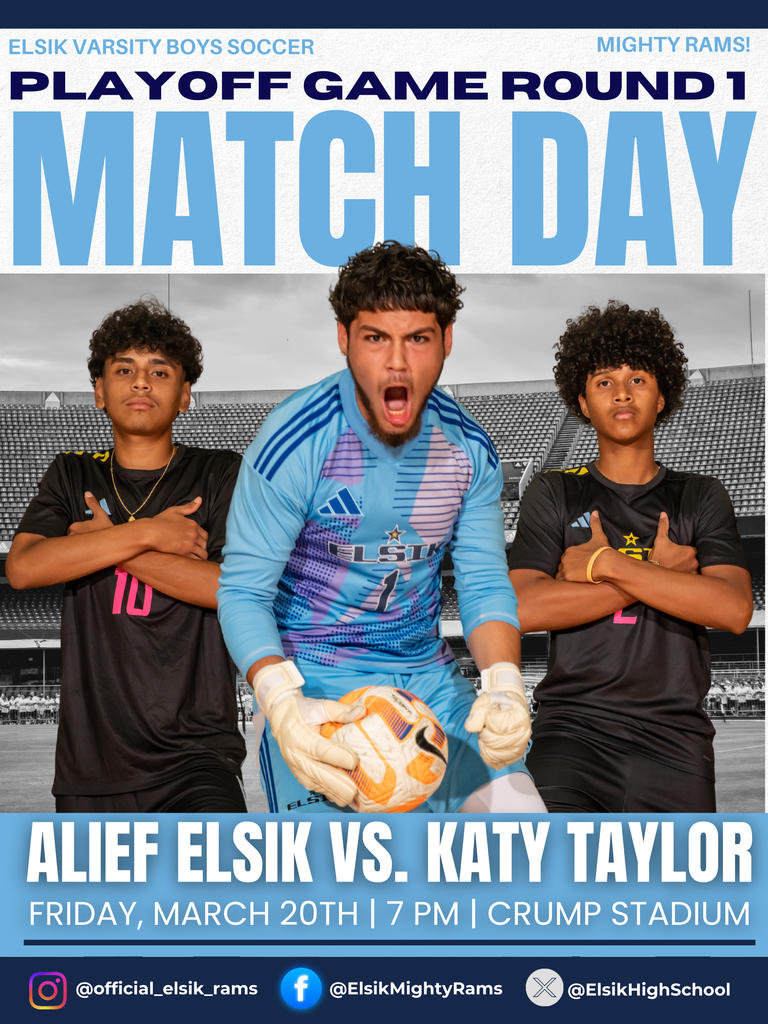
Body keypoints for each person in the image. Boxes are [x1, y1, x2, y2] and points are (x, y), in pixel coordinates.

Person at [218, 241, 546, 813]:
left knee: (524, 850)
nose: (397, 363)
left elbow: (485, 585)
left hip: (429, 680)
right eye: (376, 338)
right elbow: (243, 592)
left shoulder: (470, 450)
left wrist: (503, 683)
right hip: (317, 688)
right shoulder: (292, 442)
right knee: (342, 894)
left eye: (418, 338)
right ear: (344, 338)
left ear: (446, 341)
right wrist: (280, 701)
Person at [508, 300, 752, 813]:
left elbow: (732, 609)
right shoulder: (553, 491)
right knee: (556, 883)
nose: (621, 392)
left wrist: (608, 565)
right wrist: (661, 576)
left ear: (662, 396)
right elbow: (524, 607)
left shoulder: (701, 495)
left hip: (676, 741)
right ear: (582, 401)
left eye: (638, 378)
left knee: (671, 894)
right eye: (603, 381)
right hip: (571, 732)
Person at [6, 299, 247, 812]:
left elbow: (230, 589)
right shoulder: (71, 474)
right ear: (99, 391)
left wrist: (103, 542)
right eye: (124, 370)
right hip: (91, 766)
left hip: (198, 756)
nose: (141, 383)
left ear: (184, 396)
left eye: (159, 371)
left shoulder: (221, 473)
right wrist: (149, 534)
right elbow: (24, 568)